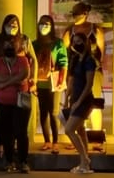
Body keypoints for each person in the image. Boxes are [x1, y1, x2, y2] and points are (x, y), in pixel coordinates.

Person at [0, 36, 31, 173]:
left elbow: (24, 75)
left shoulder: (23, 60)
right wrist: (14, 80)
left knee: (21, 132)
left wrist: (5, 83)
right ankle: (9, 161)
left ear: (18, 46)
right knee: (7, 132)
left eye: (12, 45)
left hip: (21, 101)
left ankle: (23, 161)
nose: (9, 47)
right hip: (3, 102)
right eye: (6, 45)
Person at [63, 32, 99, 174]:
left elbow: (89, 84)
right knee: (80, 130)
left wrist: (78, 102)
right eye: (74, 41)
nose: (77, 44)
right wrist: (67, 99)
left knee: (69, 129)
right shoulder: (76, 58)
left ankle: (84, 159)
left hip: (84, 101)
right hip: (75, 99)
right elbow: (71, 81)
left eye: (80, 41)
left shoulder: (89, 60)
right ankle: (85, 162)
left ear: (86, 43)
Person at [32, 15, 67, 152]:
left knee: (54, 112)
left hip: (54, 83)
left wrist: (61, 80)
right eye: (41, 23)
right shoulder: (34, 44)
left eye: (46, 23)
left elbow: (63, 62)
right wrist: (32, 82)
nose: (44, 26)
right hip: (39, 83)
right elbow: (31, 64)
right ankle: (46, 141)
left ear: (52, 26)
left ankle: (55, 142)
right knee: (43, 113)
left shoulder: (58, 43)